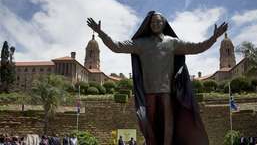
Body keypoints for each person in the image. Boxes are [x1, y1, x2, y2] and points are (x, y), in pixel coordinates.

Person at [87, 11, 227, 145]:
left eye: (158, 21)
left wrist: (213, 38)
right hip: (149, 92)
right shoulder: (141, 43)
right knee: (149, 125)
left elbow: (197, 47)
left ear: (164, 23)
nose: (155, 24)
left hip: (167, 92)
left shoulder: (172, 42)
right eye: (152, 22)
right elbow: (116, 46)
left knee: (168, 123)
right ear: (149, 24)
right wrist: (100, 33)